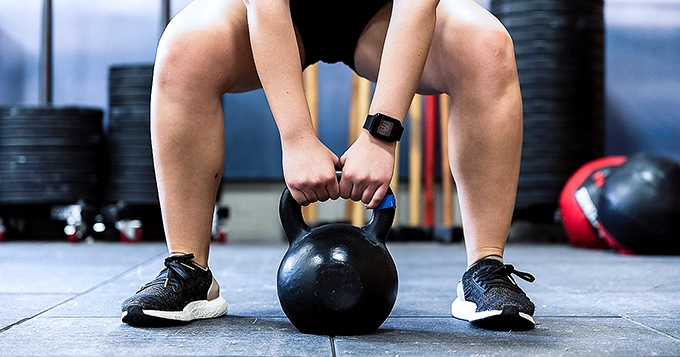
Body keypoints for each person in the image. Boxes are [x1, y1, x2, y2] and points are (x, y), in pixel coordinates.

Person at [121, 0, 536, 331]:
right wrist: (297, 138)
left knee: (487, 46)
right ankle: (189, 270)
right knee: (183, 48)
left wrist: (381, 134)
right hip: (277, 10)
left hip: (382, 12)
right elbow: (266, 6)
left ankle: (486, 268)